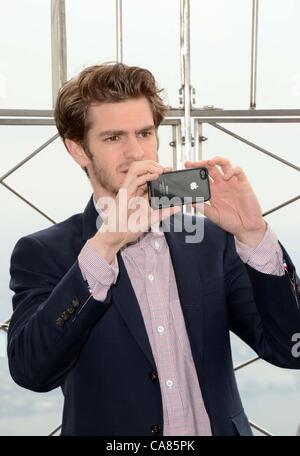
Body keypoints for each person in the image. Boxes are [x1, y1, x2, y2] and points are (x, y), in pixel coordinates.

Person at [8, 62, 300, 436]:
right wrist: (105, 245)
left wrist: (253, 233)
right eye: (114, 138)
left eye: (145, 133)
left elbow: (290, 349)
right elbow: (31, 370)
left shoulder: (210, 241)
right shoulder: (44, 252)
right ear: (78, 150)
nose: (136, 152)